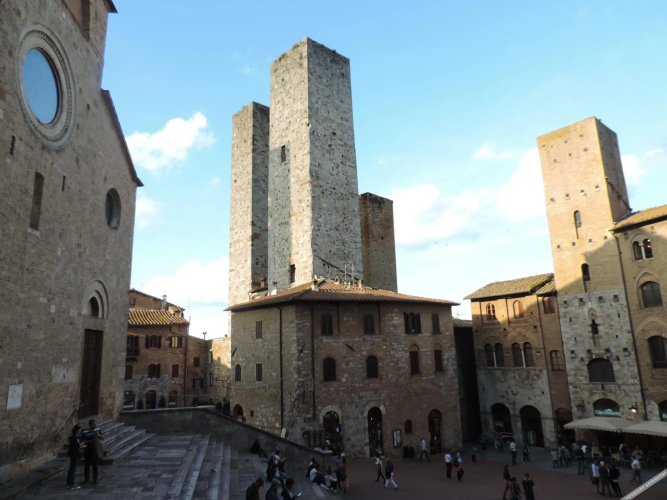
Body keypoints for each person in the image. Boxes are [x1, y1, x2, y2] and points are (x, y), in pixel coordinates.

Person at [80, 419, 104, 485]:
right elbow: (82, 440)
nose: (95, 425)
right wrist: (88, 441)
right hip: (87, 449)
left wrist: (98, 435)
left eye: (95, 424)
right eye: (93, 424)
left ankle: (95, 479)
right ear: (90, 425)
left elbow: (103, 437)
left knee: (95, 465)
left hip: (95, 450)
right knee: (87, 465)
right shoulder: (85, 432)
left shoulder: (97, 430)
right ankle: (86, 479)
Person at [66, 424, 82, 490]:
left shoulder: (75, 438)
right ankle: (71, 485)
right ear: (77, 430)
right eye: (80, 429)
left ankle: (69, 483)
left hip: (74, 455)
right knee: (73, 470)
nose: (80, 431)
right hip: (74, 455)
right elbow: (74, 448)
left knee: (71, 469)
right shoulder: (74, 438)